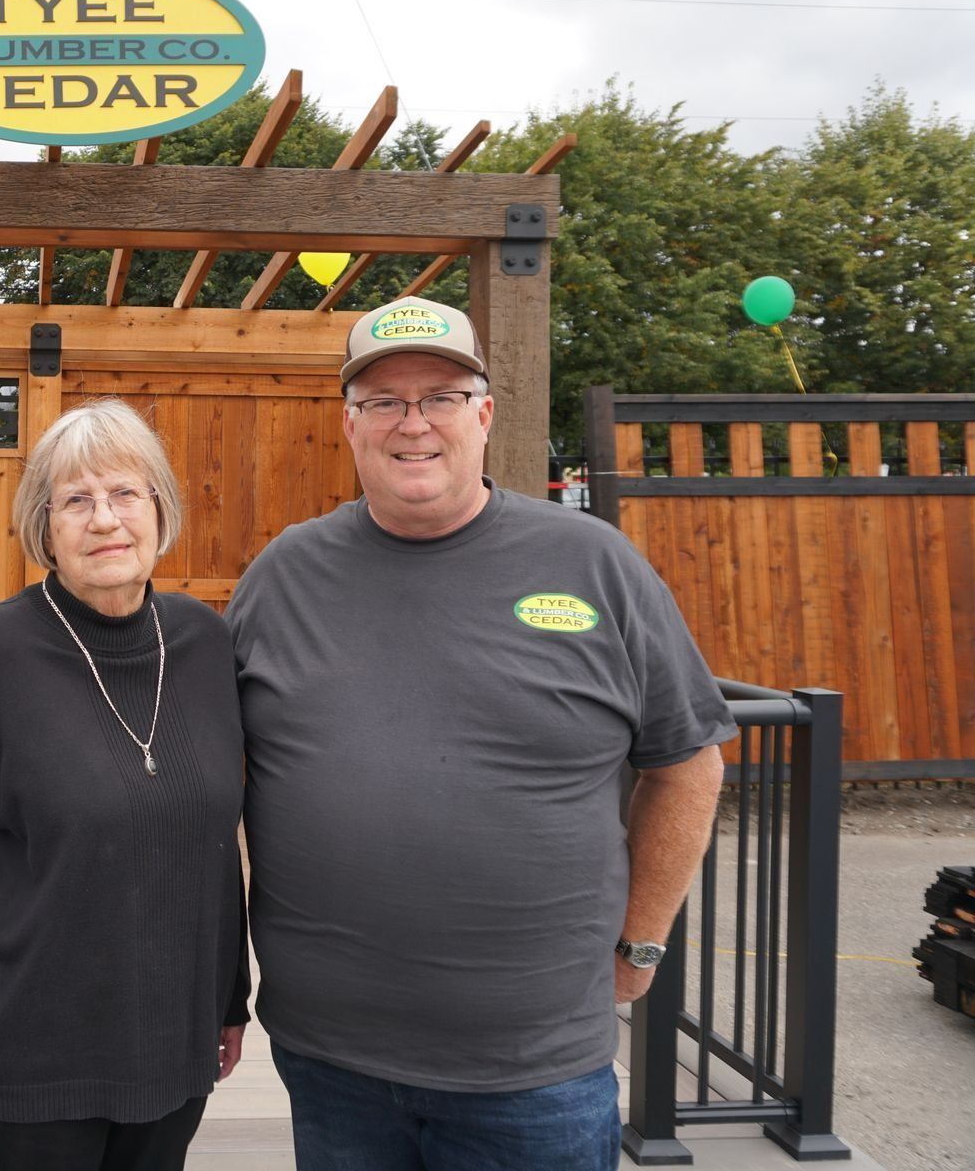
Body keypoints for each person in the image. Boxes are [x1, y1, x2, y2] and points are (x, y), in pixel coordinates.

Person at [225, 297, 733, 1171]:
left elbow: (687, 764)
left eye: (441, 397)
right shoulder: (283, 575)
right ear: (349, 424)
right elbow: (222, 777)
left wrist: (641, 943)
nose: (412, 424)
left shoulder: (595, 566)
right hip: (331, 1056)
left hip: (532, 1072)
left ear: (485, 414)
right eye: (383, 401)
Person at [0, 398, 251, 1171]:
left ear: (160, 509)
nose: (104, 520)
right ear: (44, 526)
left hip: (171, 1051)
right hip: (27, 1060)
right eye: (76, 500)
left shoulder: (203, 643)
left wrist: (227, 999)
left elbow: (209, 847)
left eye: (124, 495)